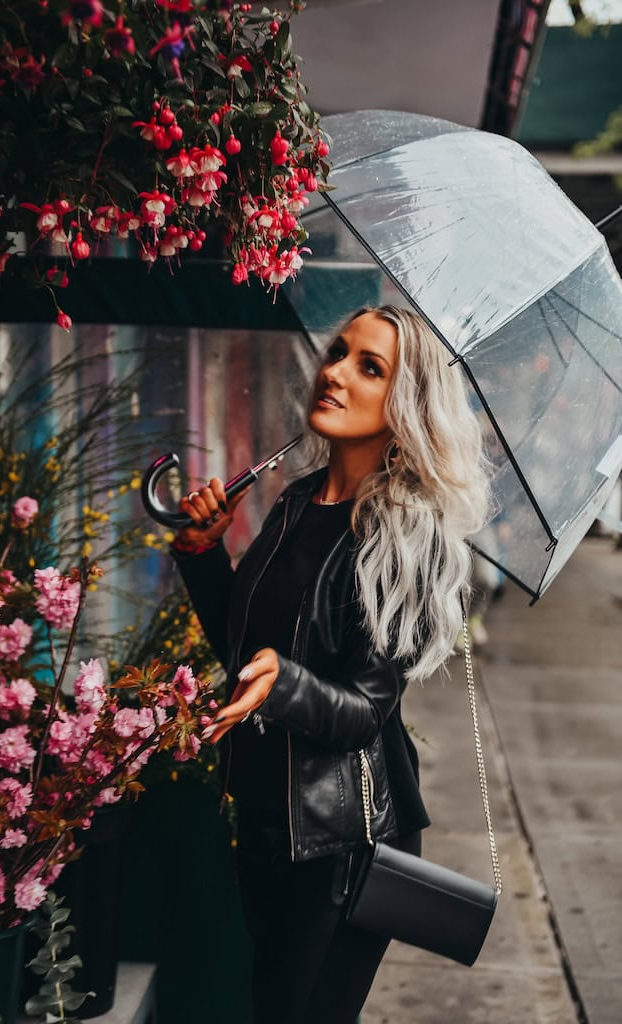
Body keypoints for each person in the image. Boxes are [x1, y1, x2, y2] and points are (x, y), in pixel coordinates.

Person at [170, 305, 490, 1024]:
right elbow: (242, 652)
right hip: (266, 819)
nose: (336, 373)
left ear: (403, 405)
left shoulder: (409, 536)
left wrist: (283, 684)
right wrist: (203, 553)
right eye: (339, 353)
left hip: (345, 840)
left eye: (368, 367)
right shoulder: (294, 503)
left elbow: (363, 712)